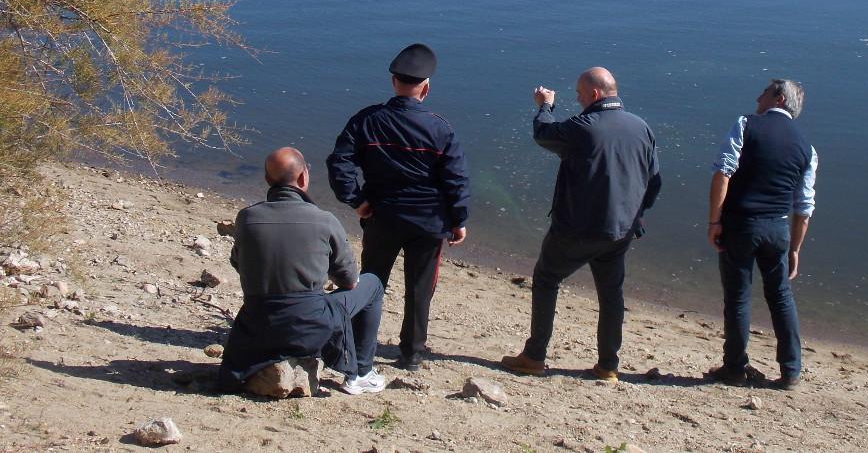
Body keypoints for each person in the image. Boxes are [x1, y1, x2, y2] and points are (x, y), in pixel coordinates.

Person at [500, 67, 661, 383]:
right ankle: (608, 365)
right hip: (620, 230)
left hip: (577, 229)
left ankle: (534, 356)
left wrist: (546, 105)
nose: (577, 99)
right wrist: (638, 213)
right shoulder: (641, 127)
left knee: (546, 278)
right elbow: (654, 180)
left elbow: (543, 133)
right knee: (611, 294)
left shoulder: (583, 127)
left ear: (595, 94)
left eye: (579, 94)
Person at [327, 43, 469, 372]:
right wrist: (458, 219)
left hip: (382, 217)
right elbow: (456, 179)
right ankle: (411, 354)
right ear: (426, 87)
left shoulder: (367, 120)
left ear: (394, 82)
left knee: (370, 283)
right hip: (428, 222)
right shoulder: (440, 128)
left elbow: (339, 164)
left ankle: (360, 346)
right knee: (420, 289)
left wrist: (357, 200)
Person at [219, 146, 387, 395]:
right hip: (309, 328)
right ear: (303, 177)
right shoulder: (324, 220)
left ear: (267, 179)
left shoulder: (247, 218)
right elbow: (350, 281)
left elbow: (238, 263)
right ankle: (361, 372)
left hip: (257, 325)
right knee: (372, 284)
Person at [706, 78, 818, 390]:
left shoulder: (746, 125)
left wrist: (714, 221)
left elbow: (723, 172)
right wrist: (795, 248)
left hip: (742, 224)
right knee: (781, 297)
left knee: (738, 297)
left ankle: (734, 368)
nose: (758, 97)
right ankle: (791, 370)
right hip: (778, 228)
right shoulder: (806, 148)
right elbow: (804, 207)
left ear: (779, 98)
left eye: (764, 92)